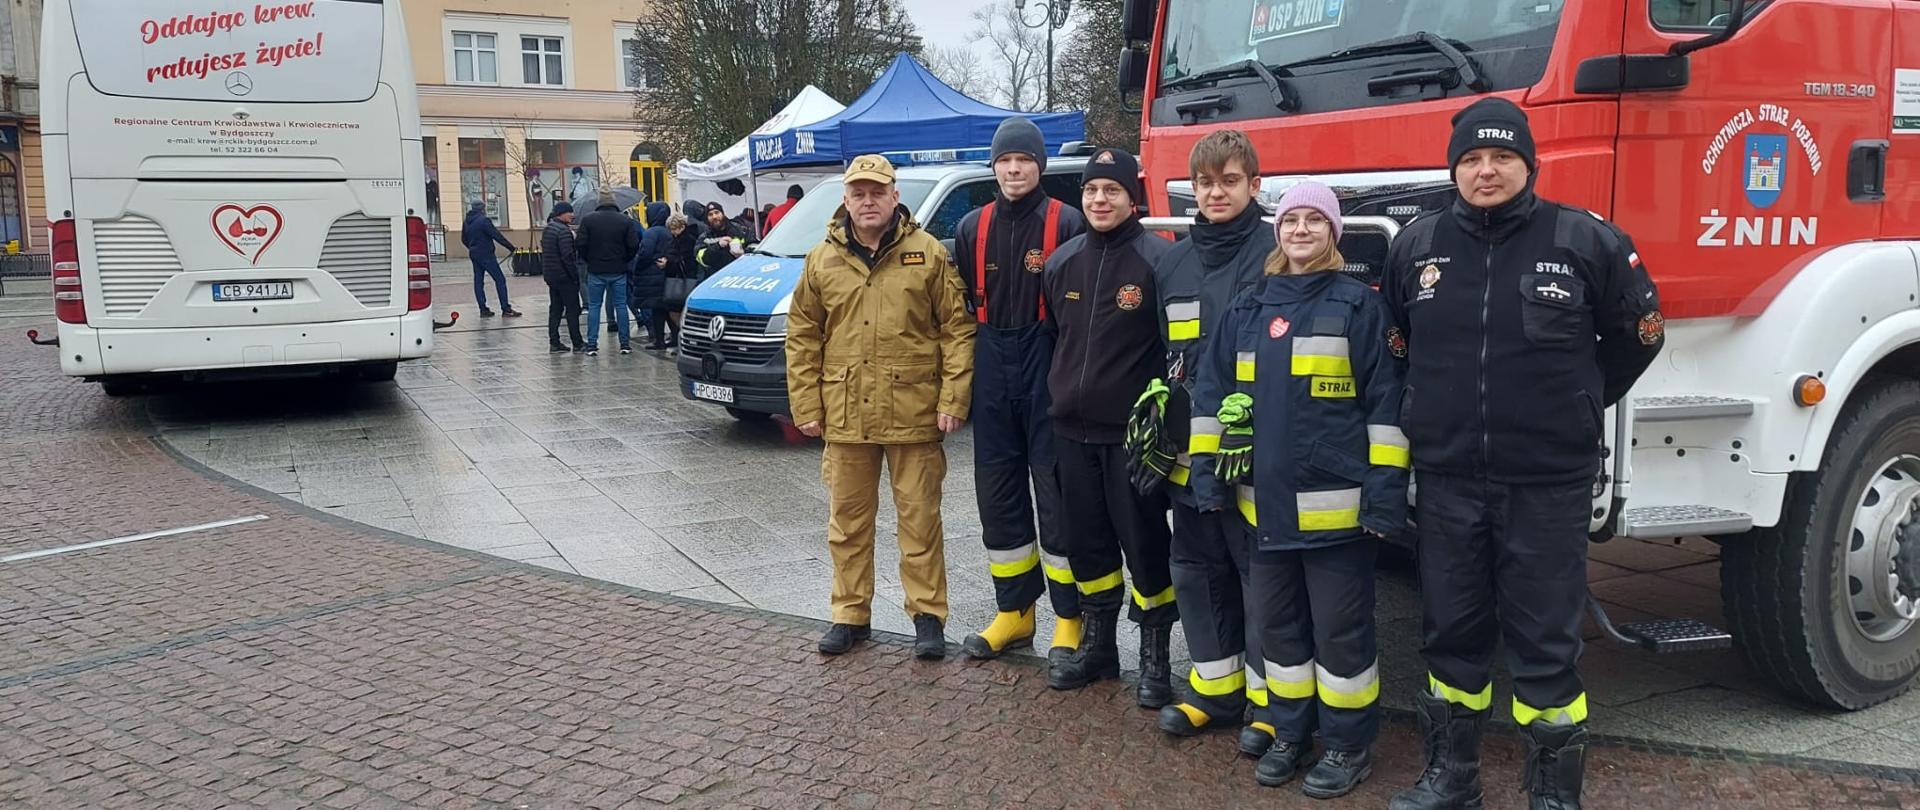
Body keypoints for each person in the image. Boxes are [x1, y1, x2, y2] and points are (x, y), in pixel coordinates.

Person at [1381, 97, 1664, 810]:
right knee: (1451, 635)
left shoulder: (1584, 241)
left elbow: (1640, 335)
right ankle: (1454, 776)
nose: (1486, 171)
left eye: (1502, 158)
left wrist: (1575, 401)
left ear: (1529, 165)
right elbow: (1397, 344)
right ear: (1455, 169)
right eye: (1472, 159)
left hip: (1548, 482)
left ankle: (1552, 791)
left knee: (1545, 639)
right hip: (1447, 479)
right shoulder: (1416, 245)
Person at [1190, 182, 1405, 798]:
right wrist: (1208, 478)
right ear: (1277, 231)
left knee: (1341, 637)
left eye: (1316, 220)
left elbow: (1386, 409)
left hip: (1337, 518)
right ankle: (1291, 733)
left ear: (1334, 233)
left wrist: (1384, 497)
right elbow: (1212, 400)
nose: (1302, 230)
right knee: (1279, 634)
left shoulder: (1359, 307)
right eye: (1292, 220)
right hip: (1264, 513)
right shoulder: (1248, 309)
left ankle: (1347, 744)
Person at [786, 155, 974, 660]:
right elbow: (802, 335)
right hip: (846, 414)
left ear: (895, 197)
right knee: (847, 523)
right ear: (845, 200)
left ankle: (928, 616)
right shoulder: (821, 259)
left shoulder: (928, 253)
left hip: (915, 413)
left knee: (920, 521)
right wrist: (805, 403)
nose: (868, 201)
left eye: (877, 192)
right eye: (858, 193)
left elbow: (957, 330)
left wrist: (954, 398)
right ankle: (849, 614)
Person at [1146, 131, 1279, 755]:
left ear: (1254, 185)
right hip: (1188, 453)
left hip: (1258, 450)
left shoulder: (1280, 250)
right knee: (1197, 572)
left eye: (1229, 180)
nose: (1216, 192)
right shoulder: (1172, 261)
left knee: (1262, 578)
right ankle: (1213, 689)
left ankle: (1270, 703)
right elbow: (1163, 357)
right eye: (1205, 182)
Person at [1040, 147, 1178, 704]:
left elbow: (1175, 353)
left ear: (1132, 197)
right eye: (1093, 190)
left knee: (1146, 549)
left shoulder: (1158, 261)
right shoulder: (1061, 262)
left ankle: (1155, 660)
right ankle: (1099, 648)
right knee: (1087, 549)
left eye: (1112, 191)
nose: (1100, 199)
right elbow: (1055, 339)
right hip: (1071, 434)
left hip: (1131, 440)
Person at [951, 117, 1089, 664]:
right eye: (1005, 160)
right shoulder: (970, 227)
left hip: (1047, 364)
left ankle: (1069, 617)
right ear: (993, 166)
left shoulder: (1069, 222)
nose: (1014, 169)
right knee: (998, 494)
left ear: (1040, 166)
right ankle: (1015, 612)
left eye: (1024, 160)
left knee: (1056, 497)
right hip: (992, 363)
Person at [576, 192, 640, 356]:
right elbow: (633, 245)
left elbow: (580, 244)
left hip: (596, 270)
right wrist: (624, 259)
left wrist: (589, 259)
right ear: (614, 203)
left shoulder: (588, 220)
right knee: (621, 305)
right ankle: (624, 344)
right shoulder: (625, 220)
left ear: (599, 203)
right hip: (618, 270)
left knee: (594, 307)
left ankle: (592, 344)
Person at [462, 201, 521, 318]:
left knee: (478, 281)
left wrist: (472, 247)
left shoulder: (466, 222)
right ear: (482, 209)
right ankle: (506, 309)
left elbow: (463, 239)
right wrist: (510, 247)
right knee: (500, 279)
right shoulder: (484, 221)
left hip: (474, 254)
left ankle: (483, 309)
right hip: (486, 254)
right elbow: (496, 235)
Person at [540, 202, 584, 353]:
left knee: (556, 309)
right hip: (565, 277)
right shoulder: (563, 231)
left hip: (552, 276)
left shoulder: (549, 228)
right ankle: (577, 343)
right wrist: (575, 277)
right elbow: (568, 257)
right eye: (569, 212)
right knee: (572, 310)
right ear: (561, 214)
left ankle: (554, 341)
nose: (572, 215)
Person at [633, 201, 674, 349]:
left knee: (657, 309)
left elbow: (645, 253)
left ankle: (659, 340)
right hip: (667, 275)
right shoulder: (669, 230)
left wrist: (637, 268)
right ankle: (674, 337)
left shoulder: (651, 232)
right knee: (666, 309)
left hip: (652, 275)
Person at [700, 202, 752, 276]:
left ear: (723, 214)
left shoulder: (740, 230)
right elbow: (704, 260)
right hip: (717, 278)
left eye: (717, 212)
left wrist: (743, 252)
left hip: (741, 275)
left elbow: (755, 250)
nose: (714, 216)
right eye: (710, 214)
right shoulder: (704, 237)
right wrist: (717, 246)